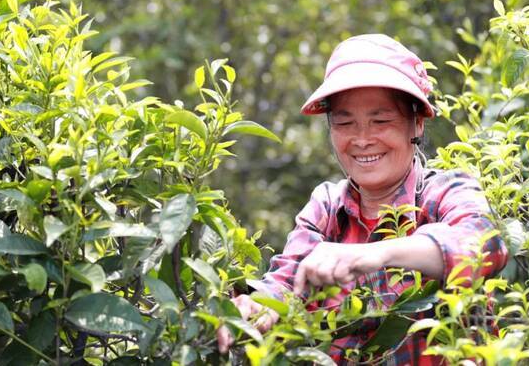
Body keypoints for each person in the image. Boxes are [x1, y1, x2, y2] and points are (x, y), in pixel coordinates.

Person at [217, 34, 508, 365]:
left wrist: (375, 254)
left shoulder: (444, 192)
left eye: (381, 121)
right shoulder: (326, 207)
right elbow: (284, 282)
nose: (362, 139)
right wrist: (256, 307)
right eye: (344, 123)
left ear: (417, 122)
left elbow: (484, 245)